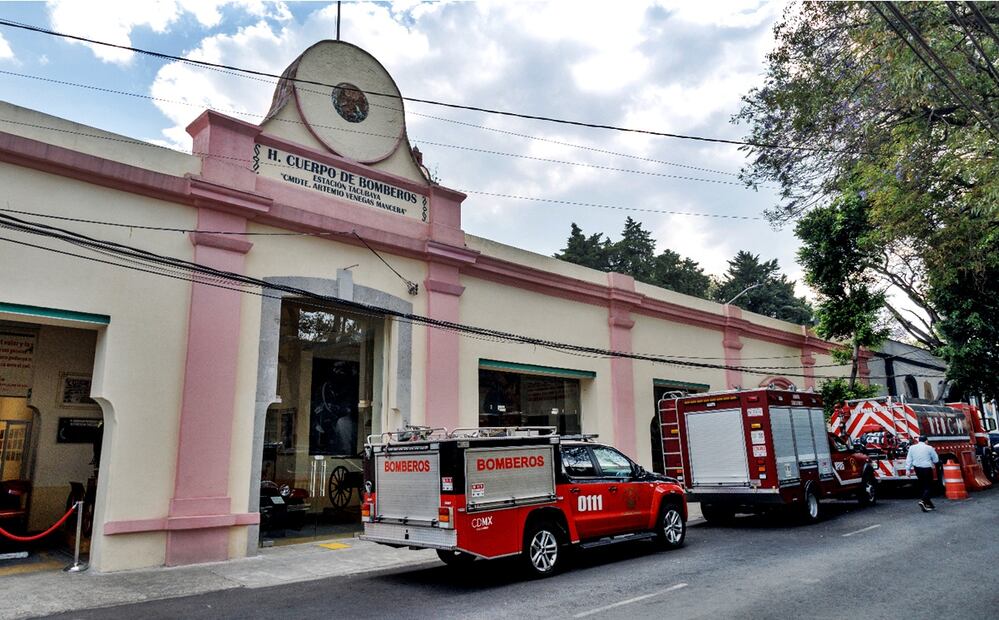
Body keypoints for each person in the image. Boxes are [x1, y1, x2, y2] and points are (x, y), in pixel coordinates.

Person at [905, 435, 940, 511]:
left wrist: (908, 470)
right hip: (926, 468)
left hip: (917, 468)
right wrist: (933, 462)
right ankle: (923, 501)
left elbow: (909, 459)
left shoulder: (912, 448)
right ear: (926, 441)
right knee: (929, 486)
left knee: (923, 485)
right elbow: (936, 459)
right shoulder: (929, 448)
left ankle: (929, 504)